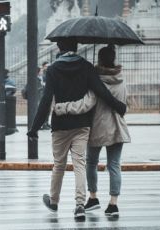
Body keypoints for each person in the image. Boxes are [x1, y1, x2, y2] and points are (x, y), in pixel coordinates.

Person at [27, 38, 126, 220]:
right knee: (79, 163)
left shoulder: (53, 69)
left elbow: (46, 100)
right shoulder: (87, 67)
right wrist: (118, 105)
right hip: (82, 124)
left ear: (59, 47)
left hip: (60, 124)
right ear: (77, 46)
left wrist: (34, 128)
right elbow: (100, 91)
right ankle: (80, 205)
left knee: (59, 164)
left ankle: (54, 201)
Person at [53, 44, 131, 217]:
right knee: (114, 165)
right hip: (118, 127)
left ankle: (93, 197)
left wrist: (62, 108)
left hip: (98, 127)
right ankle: (113, 204)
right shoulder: (121, 78)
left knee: (90, 163)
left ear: (100, 60)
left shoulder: (96, 80)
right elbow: (126, 102)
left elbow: (86, 104)